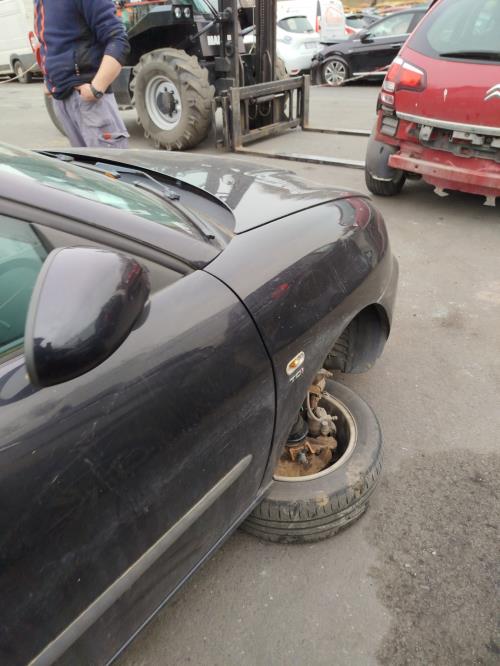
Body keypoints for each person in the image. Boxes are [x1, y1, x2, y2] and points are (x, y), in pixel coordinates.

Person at [34, 0, 130, 148]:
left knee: (110, 162)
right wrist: (49, 79)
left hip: (88, 100)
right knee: (83, 162)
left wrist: (96, 88)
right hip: (62, 101)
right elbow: (48, 44)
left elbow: (117, 40)